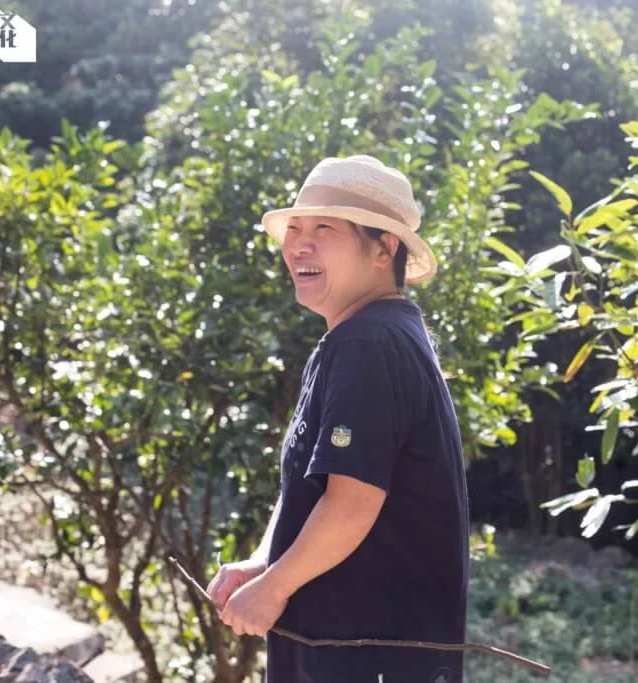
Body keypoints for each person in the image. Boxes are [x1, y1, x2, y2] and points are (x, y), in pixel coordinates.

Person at [206, 155, 469, 683]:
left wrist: (274, 588)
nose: (299, 246)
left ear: (384, 248)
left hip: (368, 658)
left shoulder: (369, 343)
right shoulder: (361, 336)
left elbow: (352, 503)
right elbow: (312, 488)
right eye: (294, 229)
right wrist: (264, 560)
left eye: (324, 229)